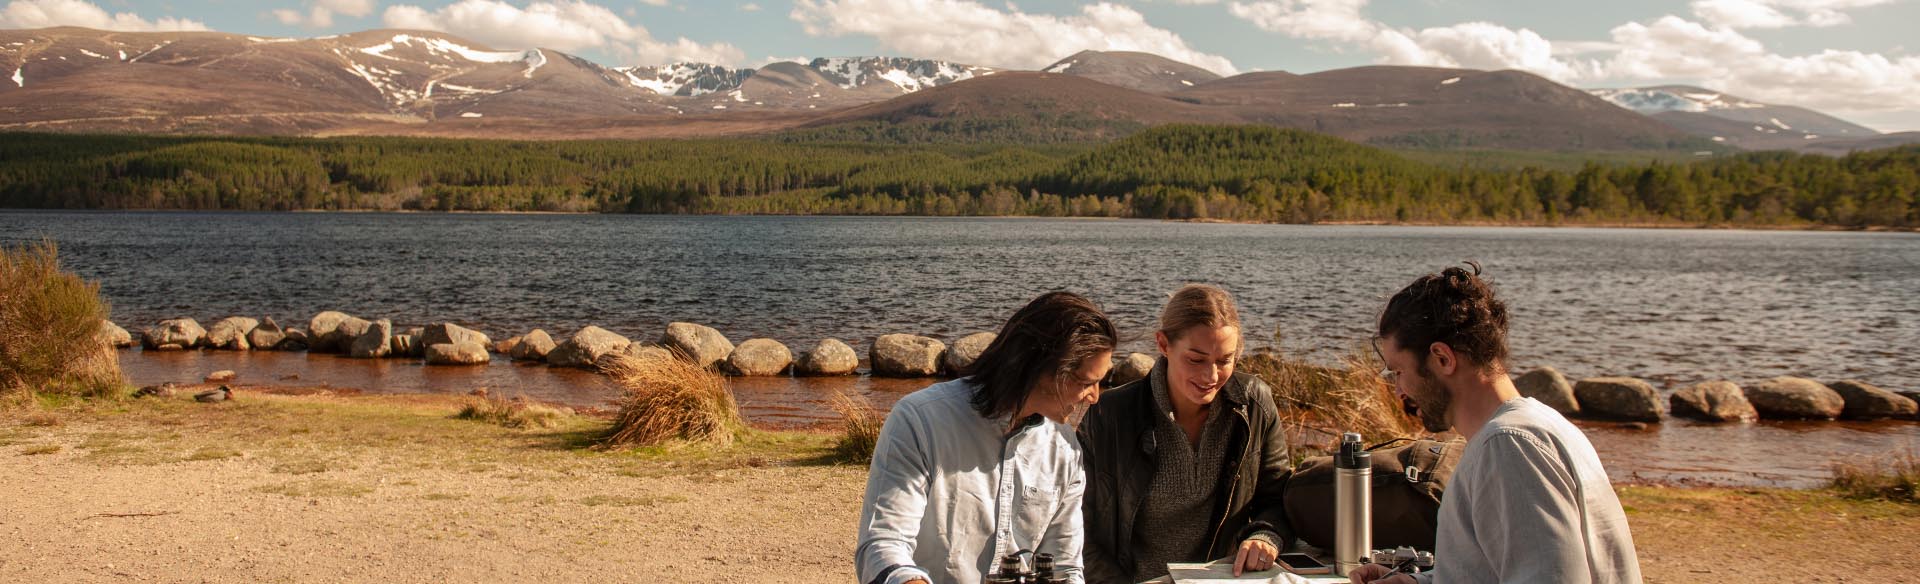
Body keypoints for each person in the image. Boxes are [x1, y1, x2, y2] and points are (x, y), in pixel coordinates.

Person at [1350, 262, 1641, 584]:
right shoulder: (1541, 424)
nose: (1399, 391)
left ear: (1442, 358)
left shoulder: (1508, 447)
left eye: (1399, 372)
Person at [855, 291, 1118, 584]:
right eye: (1086, 383)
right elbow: (882, 548)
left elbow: (1064, 568)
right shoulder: (920, 420)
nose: (1095, 397)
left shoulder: (1065, 449)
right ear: (1038, 368)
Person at [1079, 284, 1290, 583]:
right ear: (1164, 345)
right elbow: (1077, 529)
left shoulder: (1255, 404)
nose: (1211, 376)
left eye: (1224, 360)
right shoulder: (1106, 416)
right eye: (1196, 359)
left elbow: (1278, 498)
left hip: (1222, 579)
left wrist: (1266, 535)